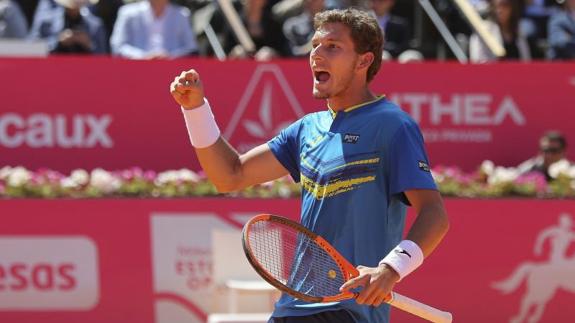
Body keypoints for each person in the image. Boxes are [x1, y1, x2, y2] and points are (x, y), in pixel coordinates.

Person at [170, 8, 449, 323]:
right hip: (294, 305)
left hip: (348, 312)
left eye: (332, 46)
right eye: (315, 45)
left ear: (363, 61)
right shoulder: (306, 129)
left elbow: (435, 215)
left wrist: (390, 269)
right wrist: (195, 110)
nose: (316, 54)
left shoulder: (392, 125)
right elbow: (229, 176)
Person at [110, 0, 198, 59]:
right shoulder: (127, 13)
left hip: (173, 73)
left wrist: (169, 57)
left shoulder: (182, 14)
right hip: (134, 72)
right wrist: (143, 57)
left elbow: (190, 47)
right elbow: (117, 46)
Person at [28, 0, 107, 54]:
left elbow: (104, 56)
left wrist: (89, 44)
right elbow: (32, 49)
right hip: (52, 70)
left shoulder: (95, 26)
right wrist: (58, 41)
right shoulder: (46, 23)